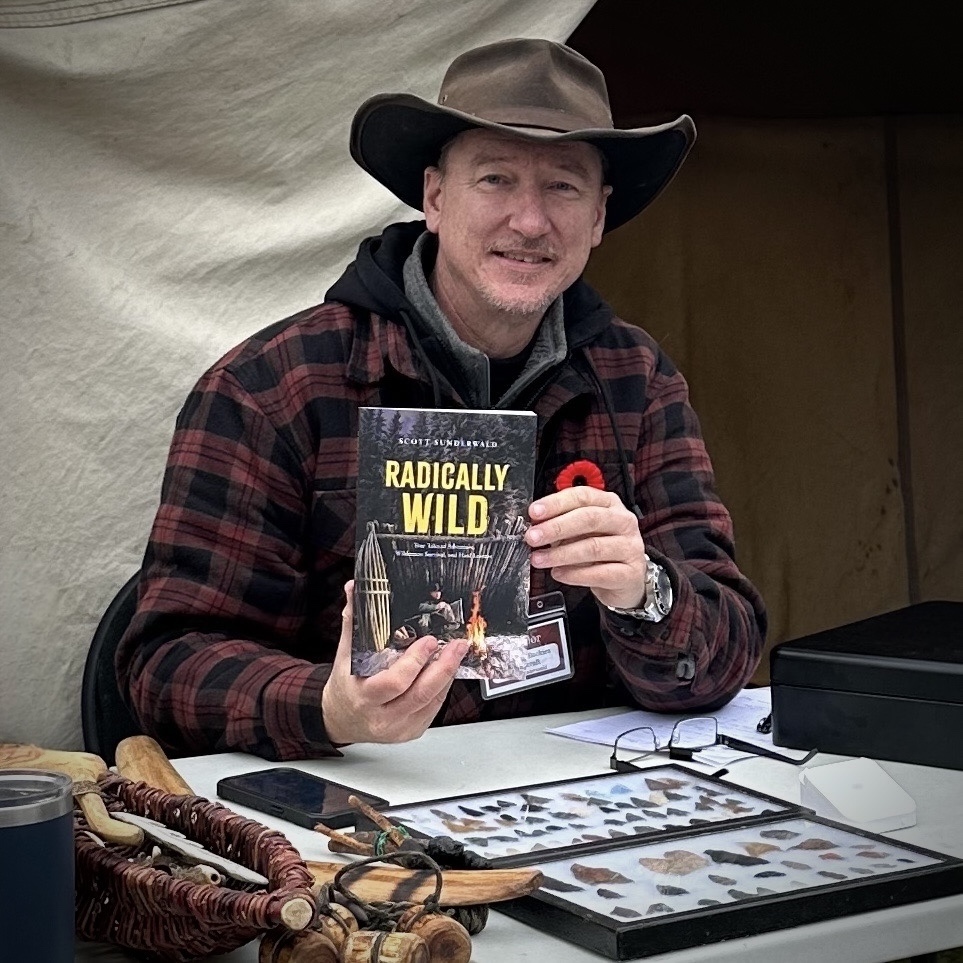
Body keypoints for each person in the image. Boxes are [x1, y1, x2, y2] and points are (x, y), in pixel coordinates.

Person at [117, 38, 767, 761]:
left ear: (597, 218)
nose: (528, 221)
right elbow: (163, 664)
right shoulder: (273, 388)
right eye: (494, 179)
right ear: (433, 197)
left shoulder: (637, 383)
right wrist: (328, 706)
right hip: (349, 816)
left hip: (579, 800)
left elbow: (728, 649)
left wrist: (645, 591)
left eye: (562, 187)